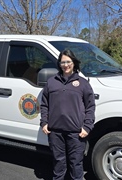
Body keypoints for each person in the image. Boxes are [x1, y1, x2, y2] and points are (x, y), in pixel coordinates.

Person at [40, 49, 96, 180]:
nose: (66, 65)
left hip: (76, 132)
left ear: (74, 63)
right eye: (63, 62)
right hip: (55, 132)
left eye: (68, 62)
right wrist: (44, 122)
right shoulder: (51, 82)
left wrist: (87, 126)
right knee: (58, 163)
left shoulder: (83, 83)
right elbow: (44, 104)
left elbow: (90, 107)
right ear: (59, 64)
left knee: (76, 164)